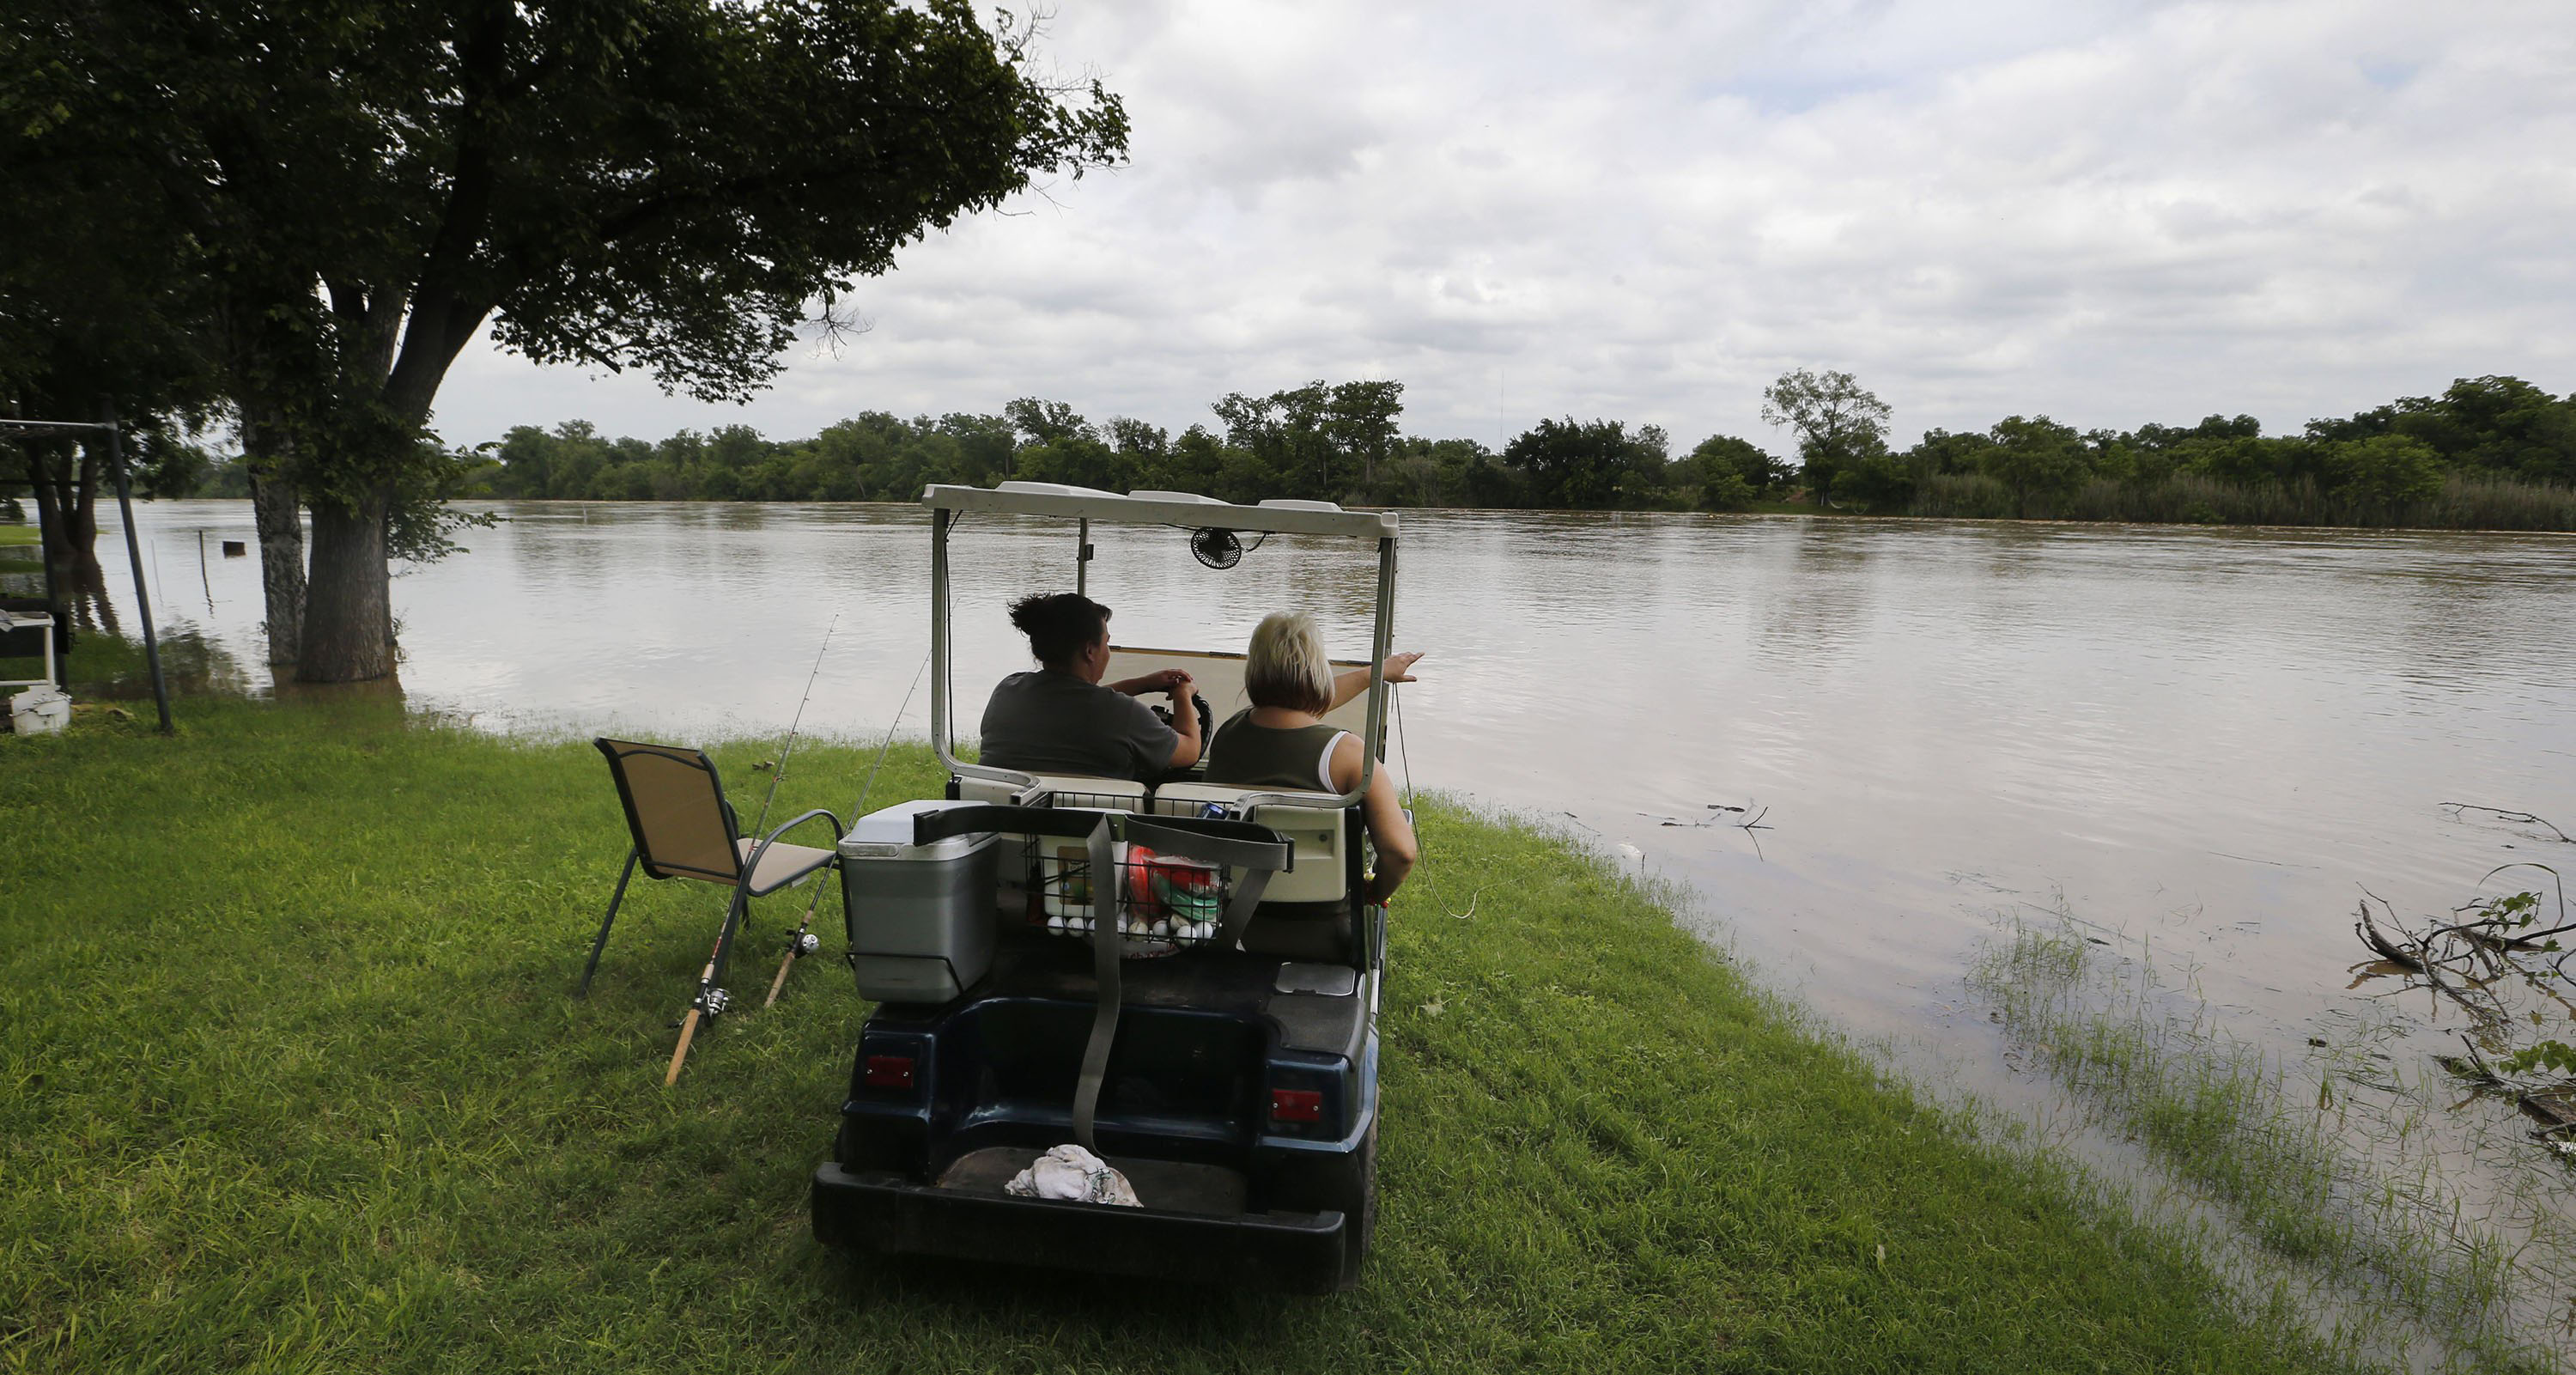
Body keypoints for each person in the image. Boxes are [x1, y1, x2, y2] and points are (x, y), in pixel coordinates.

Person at [1202, 611, 1421, 905]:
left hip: (1226, 904)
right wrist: (1374, 892)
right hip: (1321, 913)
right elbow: (1401, 853)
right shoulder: (1350, 755)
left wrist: (1373, 673)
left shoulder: (1229, 734)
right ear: (1319, 671)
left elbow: (1292, 708)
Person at [980, 592, 1201, 782]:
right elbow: (1190, 750)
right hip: (1091, 818)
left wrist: (1142, 684)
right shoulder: (1123, 714)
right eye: (1106, 642)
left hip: (1001, 812)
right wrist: (1183, 694)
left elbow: (1072, 703)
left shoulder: (1007, 690)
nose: (1108, 651)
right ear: (1090, 651)